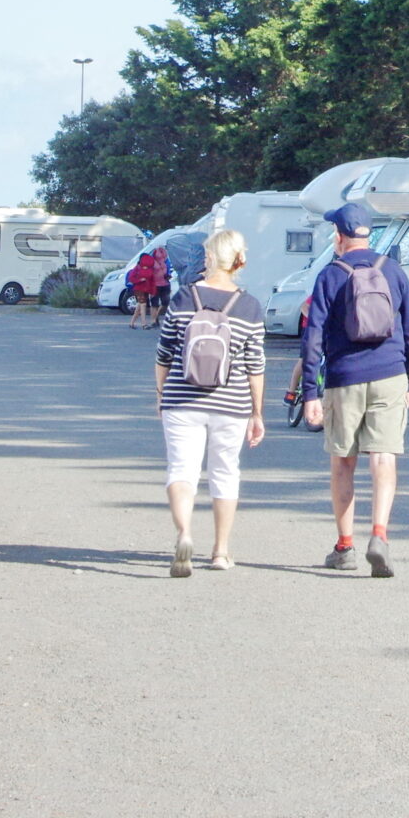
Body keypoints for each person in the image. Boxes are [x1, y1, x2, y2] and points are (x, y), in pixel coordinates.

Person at [296, 201, 409, 578]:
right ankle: (379, 536)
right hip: (390, 375)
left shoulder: (330, 275)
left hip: (344, 377)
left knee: (343, 462)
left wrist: (309, 392)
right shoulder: (393, 270)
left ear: (339, 236)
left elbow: (312, 337)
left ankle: (345, 546)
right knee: (383, 457)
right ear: (368, 233)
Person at [155, 228, 266, 576]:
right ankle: (220, 551)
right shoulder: (249, 306)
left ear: (208, 258)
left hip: (181, 398)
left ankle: (185, 535)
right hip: (231, 403)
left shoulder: (183, 298)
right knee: (225, 473)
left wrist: (161, 395)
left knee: (181, 470)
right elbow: (255, 365)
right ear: (240, 261)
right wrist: (257, 412)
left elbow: (164, 353)